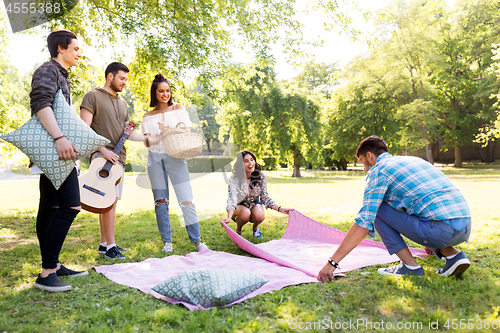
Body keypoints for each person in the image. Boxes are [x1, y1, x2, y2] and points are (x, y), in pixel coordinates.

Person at [317, 136, 472, 282]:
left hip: (439, 231)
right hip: (465, 226)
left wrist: (332, 263)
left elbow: (364, 222)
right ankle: (454, 256)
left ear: (369, 156)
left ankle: (411, 267)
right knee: (402, 206)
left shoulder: (378, 171)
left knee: (377, 208)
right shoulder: (413, 160)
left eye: (362, 161)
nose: (364, 168)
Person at [80, 62, 157, 259]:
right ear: (110, 77)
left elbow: (128, 134)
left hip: (119, 159)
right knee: (108, 200)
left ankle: (104, 244)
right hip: (101, 157)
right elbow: (83, 129)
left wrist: (149, 138)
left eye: (126, 79)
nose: (124, 82)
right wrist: (103, 150)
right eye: (121, 78)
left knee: (106, 201)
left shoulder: (122, 103)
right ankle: (111, 246)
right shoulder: (92, 96)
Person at [30, 30, 88, 292]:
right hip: (54, 149)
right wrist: (60, 138)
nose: (79, 53)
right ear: (61, 48)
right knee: (70, 206)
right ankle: (46, 273)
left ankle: (52, 266)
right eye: (75, 48)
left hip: (58, 149)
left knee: (50, 209)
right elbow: (41, 104)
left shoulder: (61, 74)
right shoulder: (47, 70)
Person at [141, 74, 206, 253]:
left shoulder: (178, 108)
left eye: (168, 91)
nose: (165, 94)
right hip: (154, 159)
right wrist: (157, 137)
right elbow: (146, 142)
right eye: (161, 91)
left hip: (176, 156)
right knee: (161, 202)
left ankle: (197, 241)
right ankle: (167, 242)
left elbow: (187, 131)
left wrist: (169, 130)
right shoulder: (147, 116)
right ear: (155, 93)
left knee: (186, 200)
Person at [221, 150, 293, 238]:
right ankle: (238, 230)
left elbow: (265, 197)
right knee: (245, 213)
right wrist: (228, 217)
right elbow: (232, 198)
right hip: (239, 206)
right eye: (246, 161)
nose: (250, 163)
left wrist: (281, 209)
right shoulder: (234, 179)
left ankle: (255, 227)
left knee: (259, 214)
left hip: (254, 203)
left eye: (252, 159)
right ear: (240, 165)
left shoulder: (260, 176)